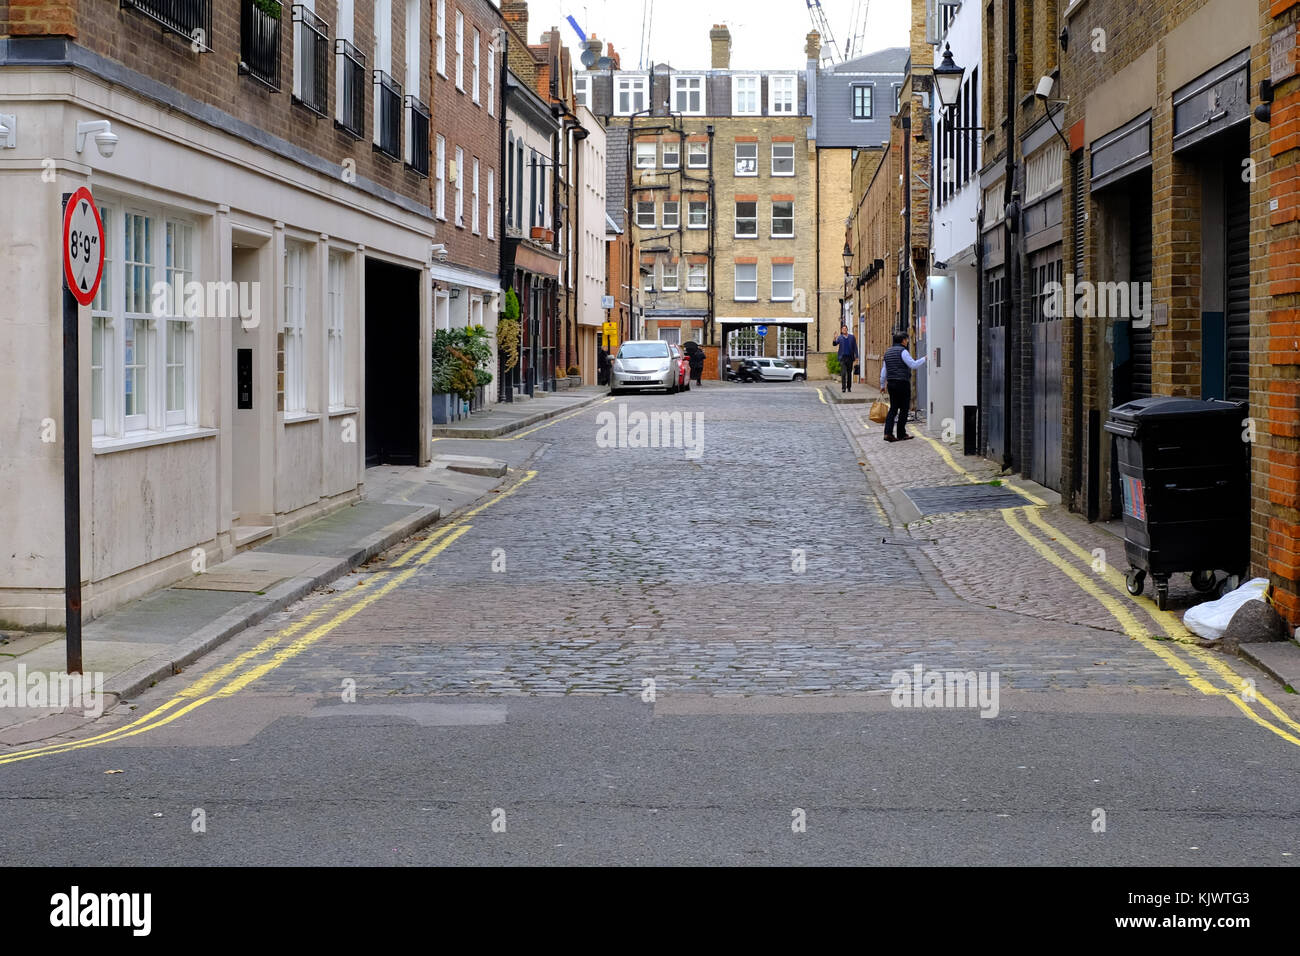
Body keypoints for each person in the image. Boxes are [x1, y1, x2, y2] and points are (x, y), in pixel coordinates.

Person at [879, 330, 927, 442]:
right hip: (902, 383)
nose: (907, 341)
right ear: (902, 341)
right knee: (904, 409)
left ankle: (888, 433)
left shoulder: (887, 352)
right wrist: (925, 358)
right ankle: (901, 433)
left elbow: (883, 371)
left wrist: (882, 384)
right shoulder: (903, 351)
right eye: (906, 339)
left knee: (893, 409)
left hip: (891, 383)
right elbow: (913, 365)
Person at [832, 324, 858, 393]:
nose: (844, 330)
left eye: (845, 329)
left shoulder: (852, 337)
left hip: (850, 357)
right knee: (843, 373)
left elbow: (855, 347)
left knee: (849, 373)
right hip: (842, 358)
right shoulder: (840, 338)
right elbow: (834, 344)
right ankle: (843, 388)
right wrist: (834, 338)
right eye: (843, 329)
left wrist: (856, 356)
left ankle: (849, 387)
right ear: (841, 330)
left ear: (847, 329)